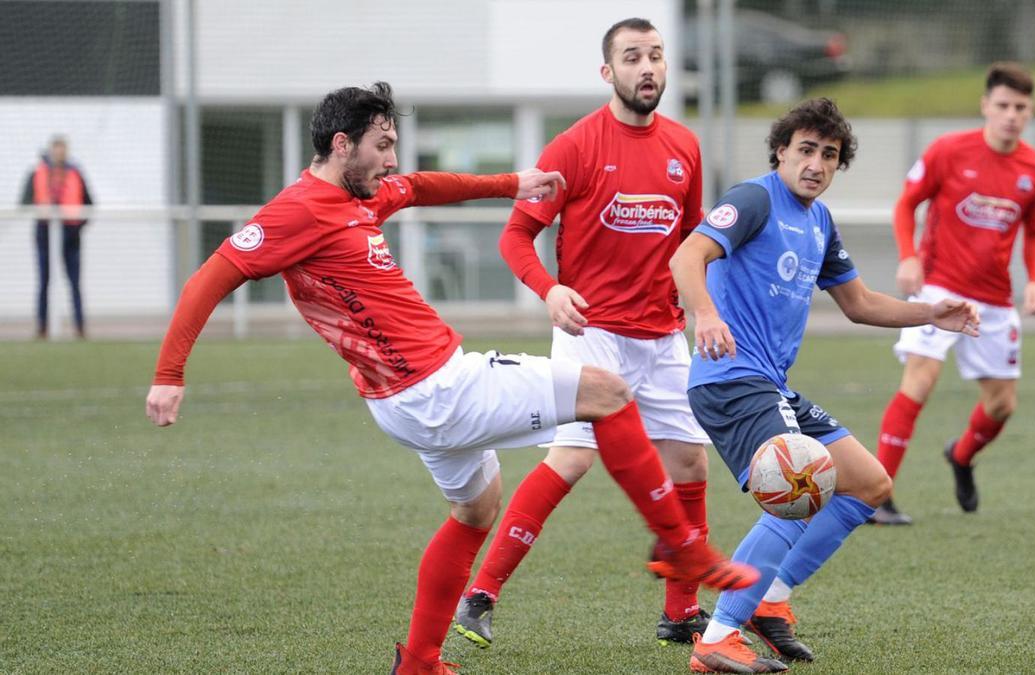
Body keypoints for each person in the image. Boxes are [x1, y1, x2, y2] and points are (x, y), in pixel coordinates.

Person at [143, 82, 758, 675]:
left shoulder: (361, 196)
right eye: (381, 145)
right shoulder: (297, 211)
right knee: (608, 392)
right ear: (340, 145)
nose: (391, 159)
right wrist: (170, 375)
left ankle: (417, 662)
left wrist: (511, 183)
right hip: (439, 387)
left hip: (403, 401)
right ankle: (680, 545)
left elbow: (423, 187)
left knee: (477, 509)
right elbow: (210, 277)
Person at [669, 98, 980, 671]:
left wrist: (932, 313)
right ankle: (717, 636)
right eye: (806, 150)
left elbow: (860, 304)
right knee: (797, 490)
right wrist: (706, 315)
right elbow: (688, 256)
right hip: (732, 379)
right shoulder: (755, 198)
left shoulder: (818, 221)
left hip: (768, 384)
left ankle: (771, 597)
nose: (816, 163)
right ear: (781, 152)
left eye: (829, 155)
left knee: (868, 484)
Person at [452, 17, 714, 649]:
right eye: (632, 57)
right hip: (591, 333)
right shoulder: (572, 147)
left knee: (689, 459)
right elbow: (515, 237)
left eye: (655, 55)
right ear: (608, 73)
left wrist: (706, 309)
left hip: (661, 335)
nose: (647, 67)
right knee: (572, 458)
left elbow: (693, 241)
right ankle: (480, 595)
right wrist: (551, 290)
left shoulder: (685, 147)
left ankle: (680, 613)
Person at [870, 62, 1035, 525]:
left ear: (1030, 112)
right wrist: (908, 255)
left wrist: (1034, 279)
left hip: (993, 302)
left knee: (1001, 404)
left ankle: (963, 455)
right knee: (920, 380)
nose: (1011, 115)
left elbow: (1034, 231)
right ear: (986, 106)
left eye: (1021, 107)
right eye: (1004, 105)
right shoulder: (949, 151)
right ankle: (877, 495)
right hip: (938, 289)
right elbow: (906, 203)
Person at [22, 135, 94, 339]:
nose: (59, 153)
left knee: (74, 282)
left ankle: (80, 327)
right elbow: (25, 200)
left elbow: (89, 202)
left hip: (70, 235)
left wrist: (79, 225)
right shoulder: (37, 173)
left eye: (62, 149)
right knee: (44, 281)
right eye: (56, 149)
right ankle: (42, 327)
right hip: (45, 233)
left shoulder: (75, 173)